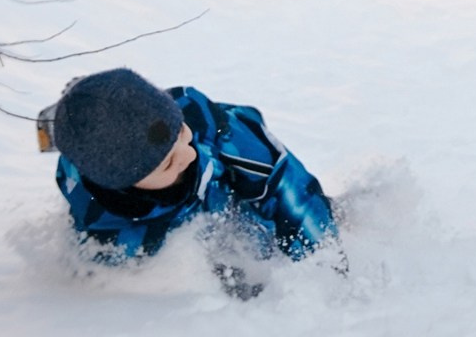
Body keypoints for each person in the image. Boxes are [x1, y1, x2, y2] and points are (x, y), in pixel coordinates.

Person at [37, 67, 340, 295]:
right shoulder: (109, 229)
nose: (188, 155)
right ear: (128, 184)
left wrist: (326, 271)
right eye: (168, 162)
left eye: (181, 133)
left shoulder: (215, 130)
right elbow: (102, 278)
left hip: (232, 198)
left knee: (294, 227)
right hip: (179, 229)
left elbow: (290, 191)